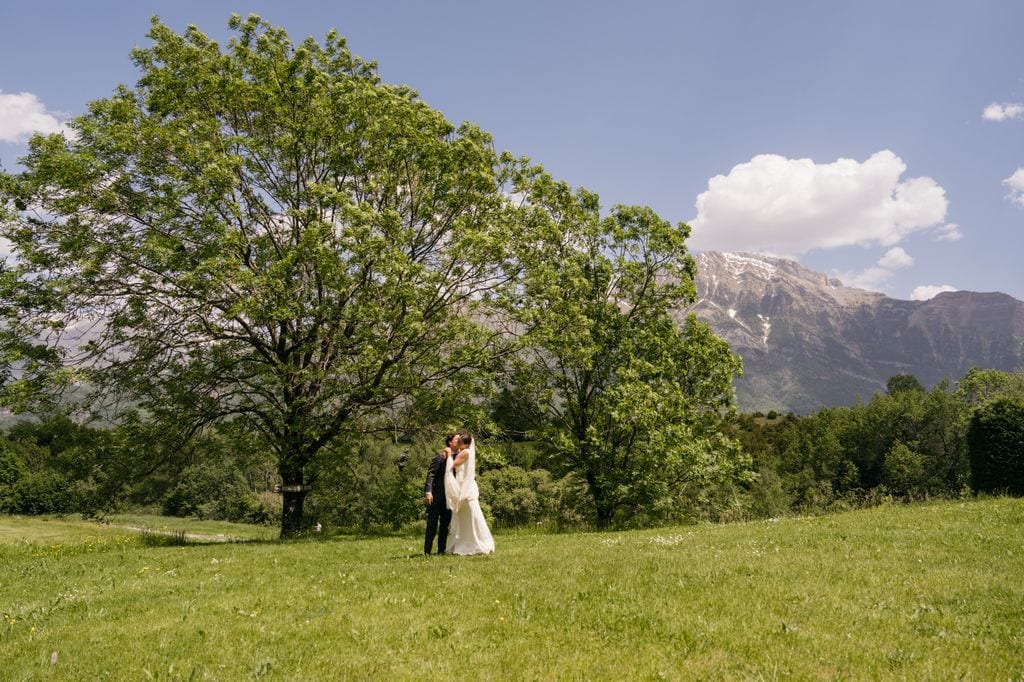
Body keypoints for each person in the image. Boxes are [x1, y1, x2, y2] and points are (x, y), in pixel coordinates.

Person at [444, 432, 495, 555]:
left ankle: (480, 543)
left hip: (466, 488)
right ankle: (464, 543)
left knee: (473, 515)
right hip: (461, 484)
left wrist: (449, 454)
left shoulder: (465, 453)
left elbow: (453, 465)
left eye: (461, 442)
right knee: (464, 516)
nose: (459, 444)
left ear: (466, 444)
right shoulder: (464, 452)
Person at [423, 434, 454, 555]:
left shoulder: (457, 457)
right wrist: (428, 492)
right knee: (432, 524)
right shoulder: (440, 456)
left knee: (445, 525)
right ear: (450, 442)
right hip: (436, 496)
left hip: (449, 497)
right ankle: (427, 551)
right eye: (457, 440)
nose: (459, 441)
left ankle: (441, 550)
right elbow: (431, 474)